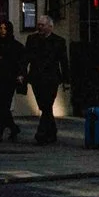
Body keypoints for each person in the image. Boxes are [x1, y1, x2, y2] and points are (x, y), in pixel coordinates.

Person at [24, 15, 68, 146]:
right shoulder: (32, 39)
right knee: (44, 106)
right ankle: (52, 131)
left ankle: (41, 133)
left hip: (51, 78)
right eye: (39, 25)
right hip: (36, 77)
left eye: (42, 25)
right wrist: (22, 73)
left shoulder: (59, 41)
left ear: (50, 27)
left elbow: (63, 61)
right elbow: (26, 57)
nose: (40, 27)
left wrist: (66, 79)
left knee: (47, 104)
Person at [0, 19, 26, 142]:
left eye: (5, 28)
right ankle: (13, 128)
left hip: (9, 78)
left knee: (4, 105)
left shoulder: (16, 46)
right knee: (0, 105)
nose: (2, 31)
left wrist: (20, 75)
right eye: (1, 28)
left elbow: (21, 62)